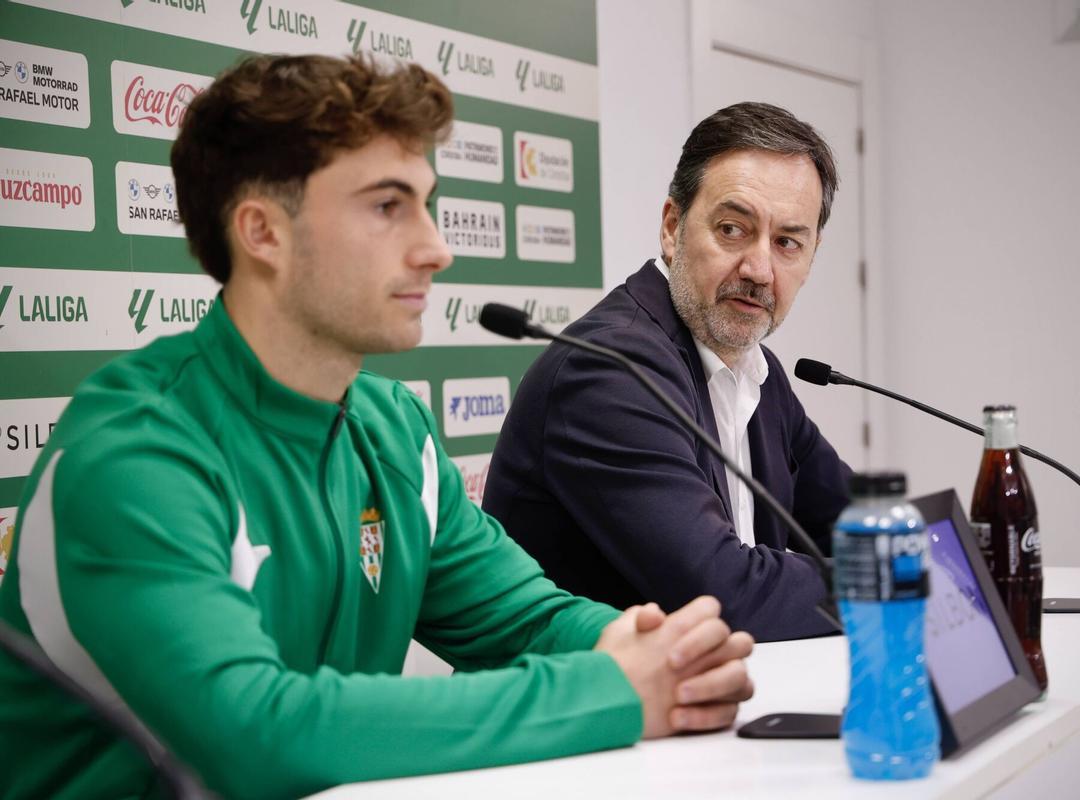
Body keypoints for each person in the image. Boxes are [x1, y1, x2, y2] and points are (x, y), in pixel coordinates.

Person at [0, 55, 754, 800]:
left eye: (427, 203)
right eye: (388, 206)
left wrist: (652, 651)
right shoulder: (136, 447)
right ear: (263, 232)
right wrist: (612, 689)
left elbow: (523, 620)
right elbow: (254, 736)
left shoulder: (394, 430)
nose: (435, 248)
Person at [483, 102, 852, 643]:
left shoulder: (757, 371)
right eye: (732, 229)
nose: (759, 270)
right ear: (673, 228)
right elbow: (720, 594)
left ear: (811, 257)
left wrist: (939, 556)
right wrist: (892, 579)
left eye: (787, 243)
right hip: (584, 693)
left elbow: (852, 521)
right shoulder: (609, 370)